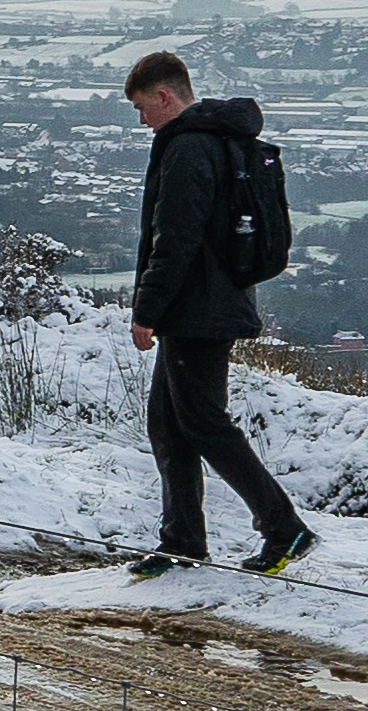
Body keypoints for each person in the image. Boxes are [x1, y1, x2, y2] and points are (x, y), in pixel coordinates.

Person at [121, 51, 316, 579]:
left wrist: (148, 307)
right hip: (214, 299)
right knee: (168, 423)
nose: (142, 121)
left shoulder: (188, 147)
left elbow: (175, 237)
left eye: (143, 108)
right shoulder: (222, 139)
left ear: (165, 96)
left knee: (204, 423)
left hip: (196, 307)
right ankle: (182, 539)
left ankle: (284, 528)